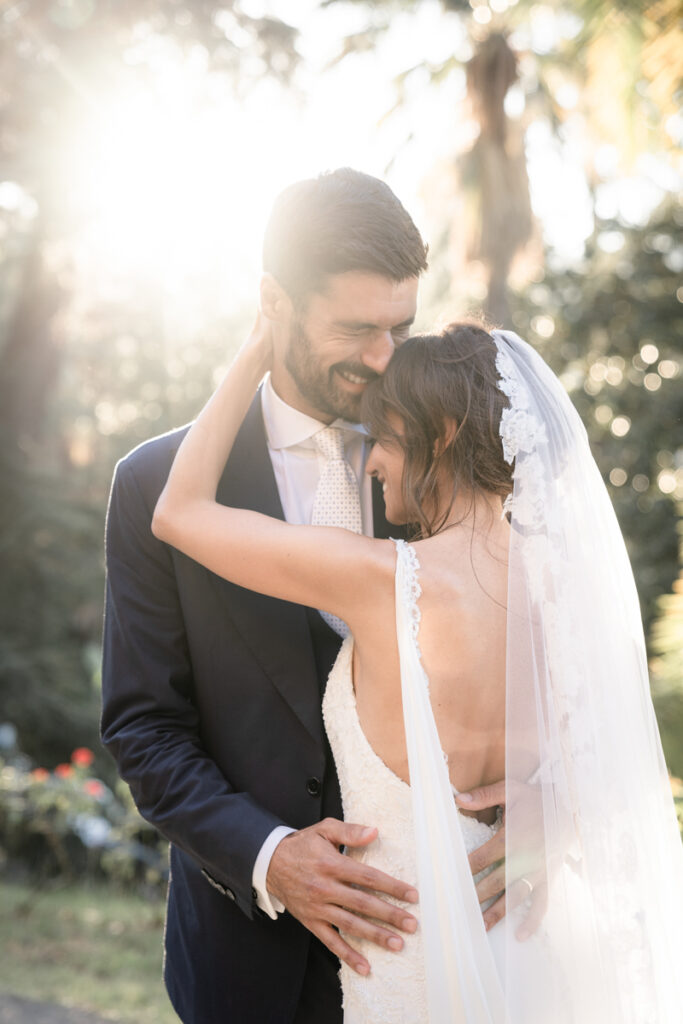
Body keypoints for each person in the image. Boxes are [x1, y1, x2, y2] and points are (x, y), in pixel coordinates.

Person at [152, 315, 683, 1023]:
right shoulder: (569, 594)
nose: (369, 465)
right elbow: (613, 763)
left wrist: (256, 350)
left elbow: (178, 512)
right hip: (535, 954)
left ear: (441, 438)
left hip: (407, 967)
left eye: (384, 439)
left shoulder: (382, 579)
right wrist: (555, 817)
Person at [102, 169, 509, 1024]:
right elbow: (144, 725)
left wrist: (544, 826)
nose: (383, 357)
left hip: (454, 941)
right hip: (246, 962)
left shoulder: (453, 466)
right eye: (356, 328)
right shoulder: (153, 487)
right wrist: (267, 854)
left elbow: (549, 664)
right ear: (274, 304)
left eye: (400, 325)